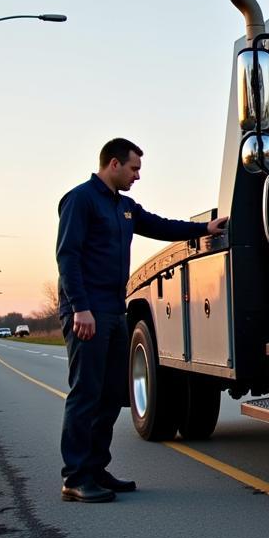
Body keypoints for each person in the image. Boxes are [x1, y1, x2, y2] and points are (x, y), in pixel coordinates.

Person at [56, 138, 228, 502]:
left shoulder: (125, 207)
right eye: (133, 169)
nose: (137, 176)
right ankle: (74, 477)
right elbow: (68, 257)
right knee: (86, 393)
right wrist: (79, 308)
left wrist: (204, 229)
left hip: (114, 310)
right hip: (87, 311)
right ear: (114, 164)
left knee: (109, 395)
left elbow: (161, 226)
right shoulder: (80, 200)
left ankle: (96, 469)